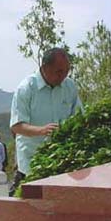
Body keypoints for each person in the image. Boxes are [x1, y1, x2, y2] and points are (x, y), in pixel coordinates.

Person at [10, 48, 82, 194]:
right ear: (44, 68)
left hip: (61, 162)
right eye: (59, 71)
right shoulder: (26, 88)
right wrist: (42, 130)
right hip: (32, 164)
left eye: (66, 71)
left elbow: (79, 117)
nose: (63, 76)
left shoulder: (69, 87)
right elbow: (17, 126)